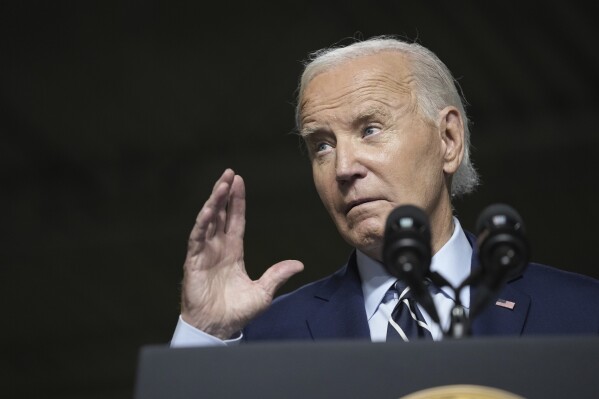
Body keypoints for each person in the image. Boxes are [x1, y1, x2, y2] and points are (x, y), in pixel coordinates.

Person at [171, 36, 599, 347]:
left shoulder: (582, 314)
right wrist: (204, 333)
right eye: (322, 144)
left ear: (448, 140)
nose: (343, 168)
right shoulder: (264, 339)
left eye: (370, 130)